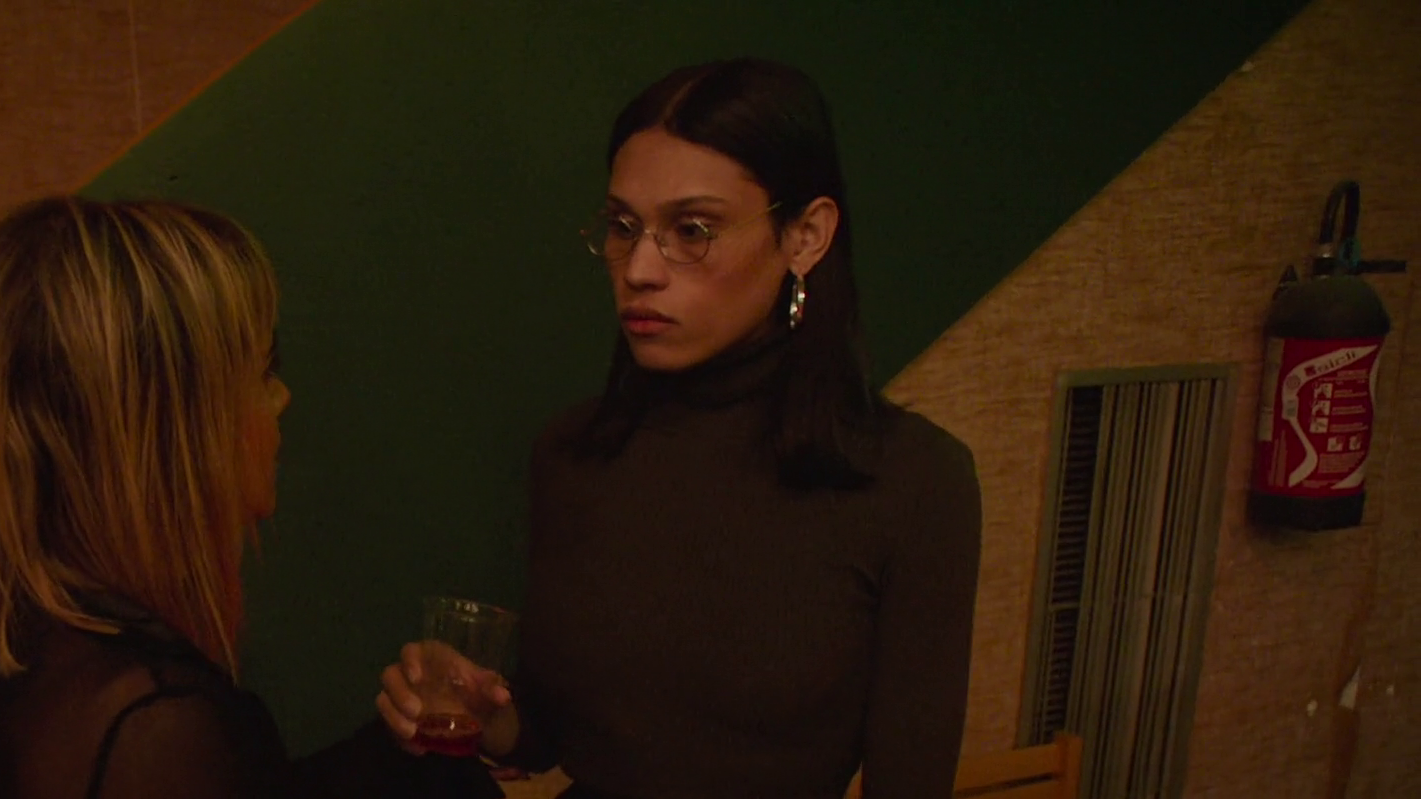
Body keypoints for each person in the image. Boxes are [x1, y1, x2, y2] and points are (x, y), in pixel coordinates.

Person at [379, 57, 983, 798]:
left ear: (805, 236)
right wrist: (484, 714)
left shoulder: (911, 480)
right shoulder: (572, 454)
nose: (639, 267)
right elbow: (555, 734)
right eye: (622, 226)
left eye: (691, 230)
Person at [0, 197, 501, 799]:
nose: (282, 398)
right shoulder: (157, 726)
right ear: (177, 434)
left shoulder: (40, 640)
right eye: (263, 372)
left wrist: (402, 750)